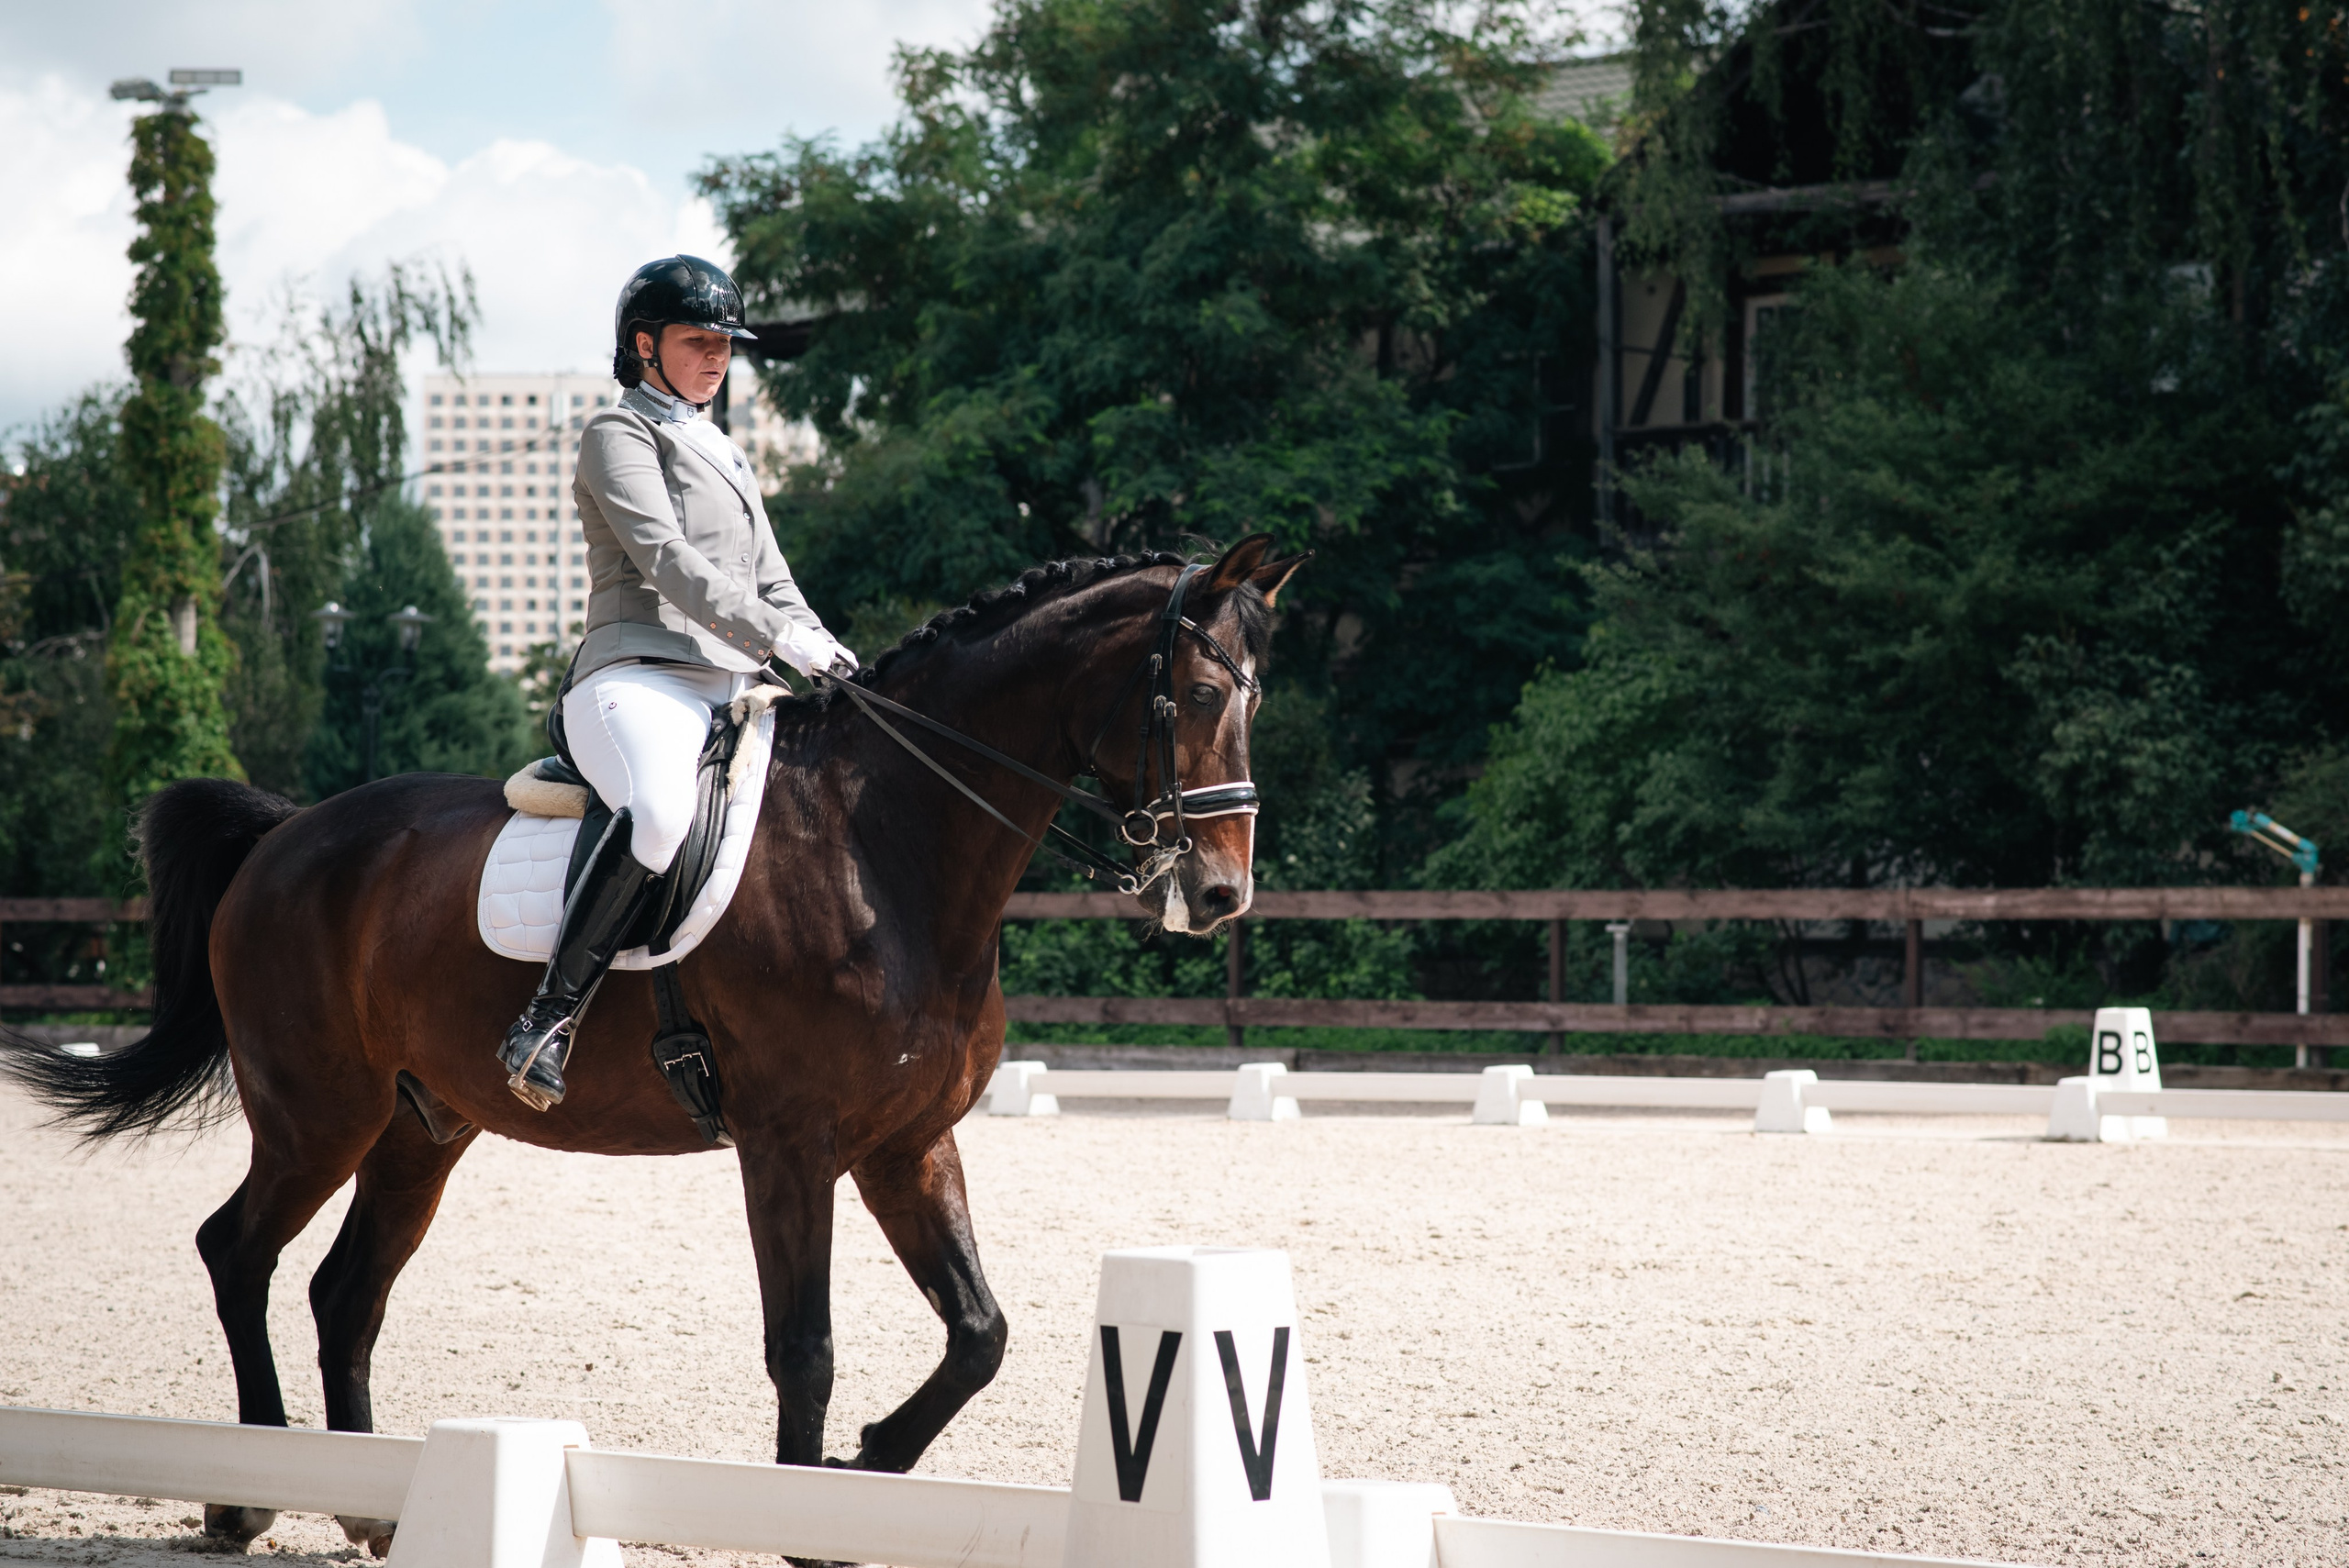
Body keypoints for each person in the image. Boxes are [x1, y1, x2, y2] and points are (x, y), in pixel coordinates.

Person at [496, 254, 855, 1111]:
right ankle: (547, 1017)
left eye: (726, 344)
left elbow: (772, 577)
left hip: (731, 682)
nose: (718, 357)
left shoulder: (722, 447)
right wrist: (780, 641)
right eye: (699, 341)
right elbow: (667, 561)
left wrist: (830, 653)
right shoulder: (618, 434)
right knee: (658, 811)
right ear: (644, 346)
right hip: (635, 676)